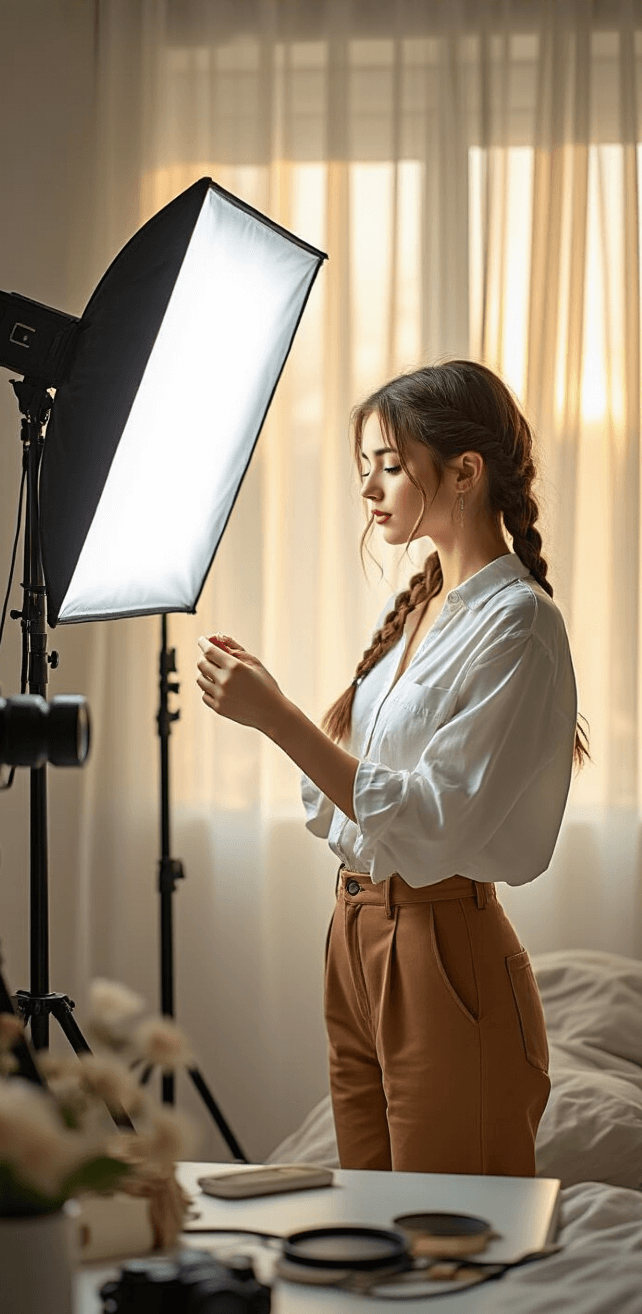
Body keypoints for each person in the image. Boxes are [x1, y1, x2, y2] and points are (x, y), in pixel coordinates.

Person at [196, 360, 586, 1177]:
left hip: (443, 943)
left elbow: (434, 821)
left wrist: (278, 717)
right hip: (354, 935)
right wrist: (279, 715)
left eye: (389, 465)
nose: (369, 489)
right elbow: (363, 794)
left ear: (465, 473)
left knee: (446, 1239)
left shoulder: (519, 626)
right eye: (363, 469)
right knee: (370, 1219)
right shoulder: (418, 608)